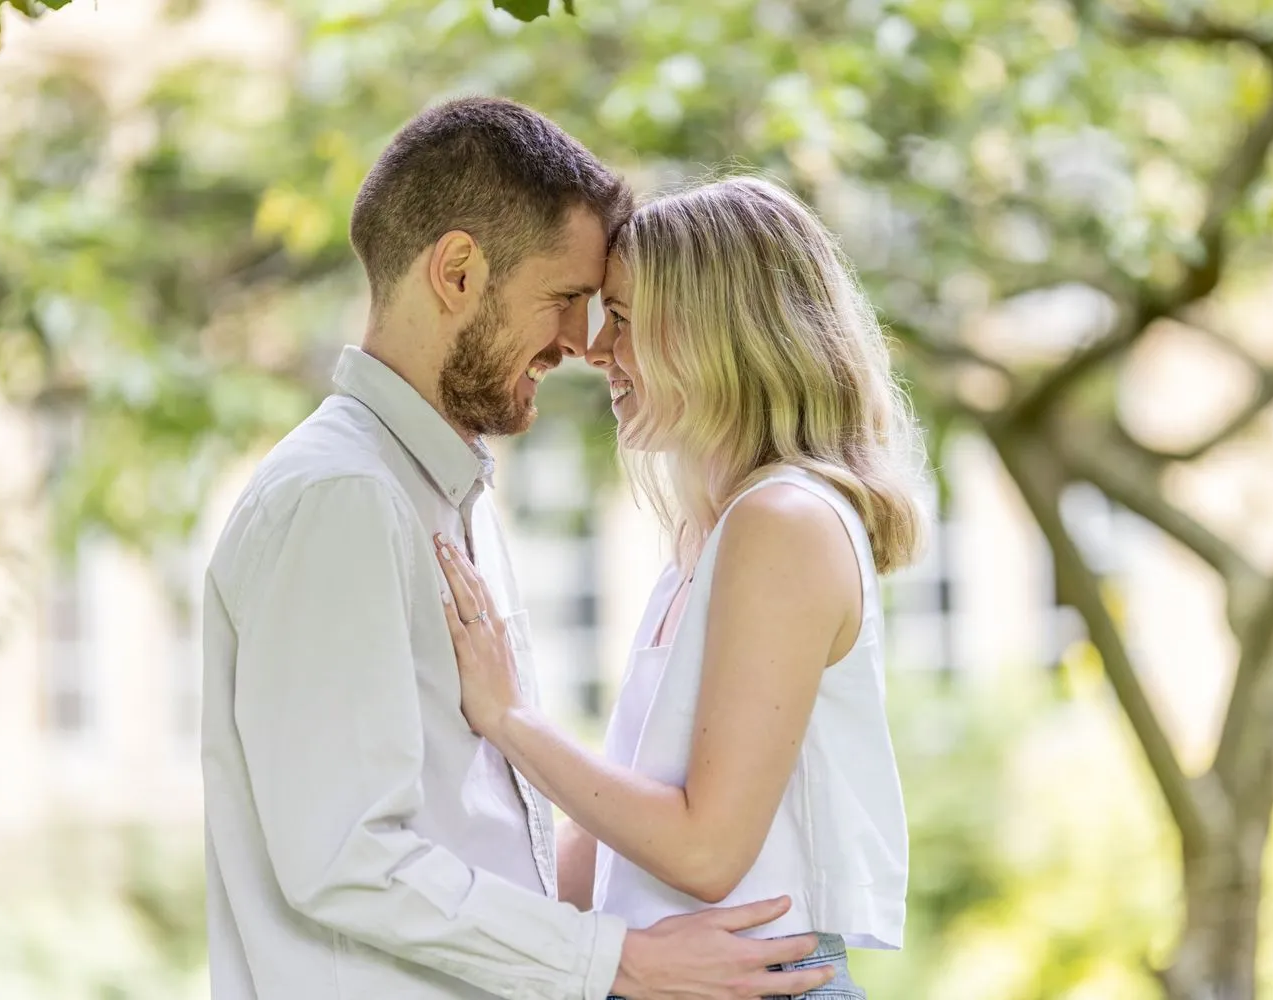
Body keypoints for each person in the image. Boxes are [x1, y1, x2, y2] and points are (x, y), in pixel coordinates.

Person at [200, 98, 841, 999]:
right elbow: (343, 854)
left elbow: (502, 844)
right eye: (567, 299)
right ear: (458, 271)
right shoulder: (341, 498)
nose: (582, 345)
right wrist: (619, 962)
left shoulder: (451, 498)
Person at [433, 176, 929, 1000]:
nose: (595, 351)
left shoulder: (785, 522)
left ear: (710, 333)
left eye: (621, 319)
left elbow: (706, 852)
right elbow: (609, 847)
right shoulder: (709, 540)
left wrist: (510, 717)